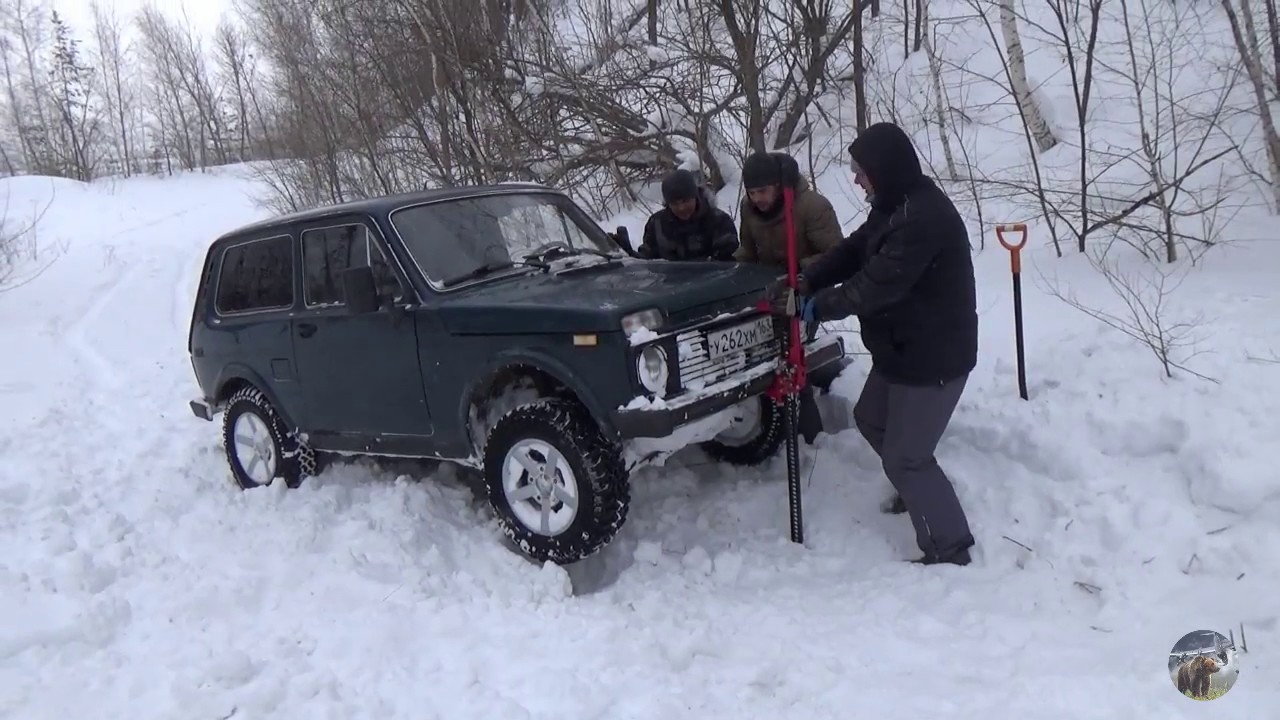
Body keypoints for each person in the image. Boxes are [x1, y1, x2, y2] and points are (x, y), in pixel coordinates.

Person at [764, 121, 979, 567]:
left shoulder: (922, 218)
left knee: (906, 457)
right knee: (870, 418)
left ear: (884, 169)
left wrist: (810, 308)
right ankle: (918, 491)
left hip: (934, 357)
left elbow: (871, 287)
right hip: (902, 349)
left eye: (861, 171)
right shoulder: (893, 205)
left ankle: (950, 546)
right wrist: (806, 280)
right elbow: (853, 251)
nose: (856, 179)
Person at [734, 151, 845, 444]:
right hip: (771, 293)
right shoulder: (749, 210)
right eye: (752, 192)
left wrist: (799, 272)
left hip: (807, 291)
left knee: (792, 359)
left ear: (778, 185)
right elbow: (747, 252)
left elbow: (838, 256)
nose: (758, 198)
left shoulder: (812, 207)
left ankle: (810, 437)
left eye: (763, 191)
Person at [635, 169, 739, 261]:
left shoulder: (720, 222)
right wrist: (632, 254)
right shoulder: (656, 225)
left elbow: (728, 265)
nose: (681, 208)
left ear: (695, 196)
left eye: (686, 201)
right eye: (675, 204)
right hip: (670, 281)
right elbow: (648, 262)